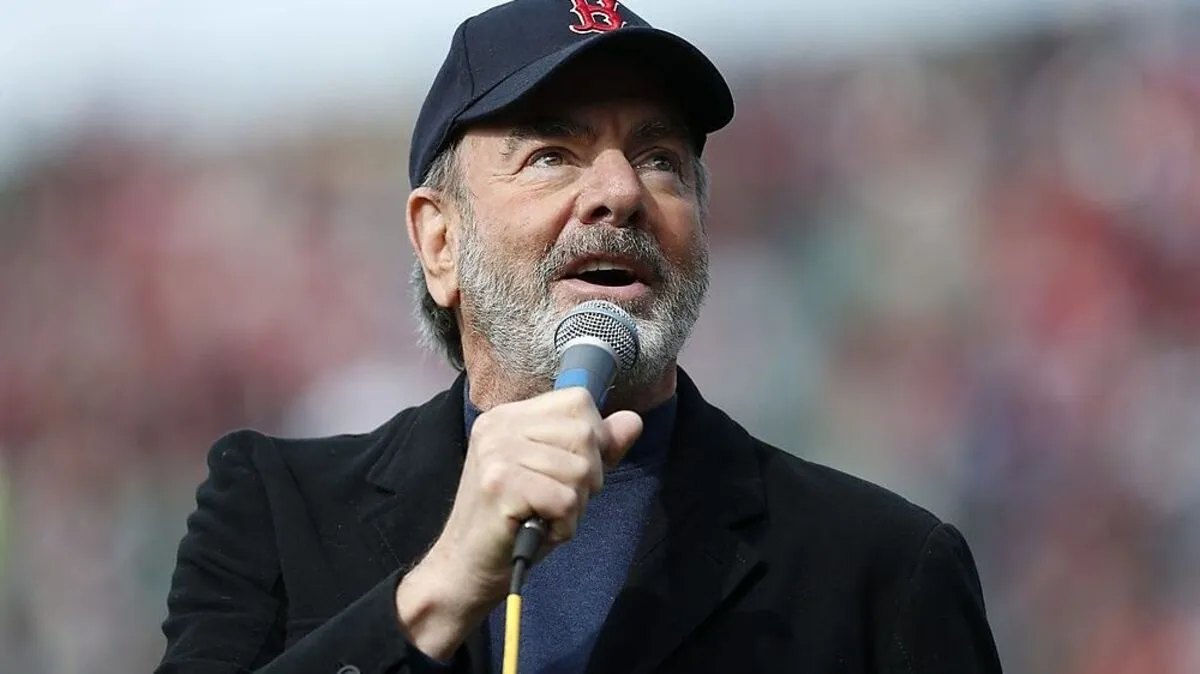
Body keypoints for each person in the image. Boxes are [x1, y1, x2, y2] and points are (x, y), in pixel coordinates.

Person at [156, 1, 1004, 672]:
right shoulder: (275, 510)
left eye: (660, 158)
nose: (620, 192)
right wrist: (438, 594)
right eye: (552, 154)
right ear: (439, 241)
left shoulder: (881, 566)